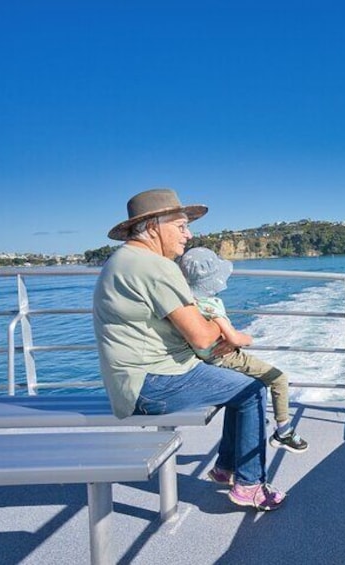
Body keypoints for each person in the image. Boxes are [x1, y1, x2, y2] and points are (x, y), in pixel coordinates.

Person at [93, 187, 284, 511]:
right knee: (252, 389)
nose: (188, 234)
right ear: (153, 226)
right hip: (151, 384)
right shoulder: (156, 267)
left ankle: (226, 469)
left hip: (129, 381)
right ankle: (250, 485)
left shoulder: (122, 260)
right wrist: (222, 327)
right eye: (180, 226)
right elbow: (202, 338)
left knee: (235, 387)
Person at [178, 247, 308, 453]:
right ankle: (283, 431)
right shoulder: (212, 306)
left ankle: (225, 467)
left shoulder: (186, 304)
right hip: (227, 358)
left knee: (251, 387)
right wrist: (249, 338)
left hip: (205, 361)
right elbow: (234, 338)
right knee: (279, 378)